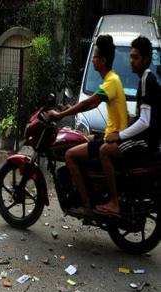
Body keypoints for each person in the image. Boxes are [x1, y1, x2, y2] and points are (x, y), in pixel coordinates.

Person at [47, 34, 128, 216]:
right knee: (81, 139)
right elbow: (92, 104)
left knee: (69, 155)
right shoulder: (111, 80)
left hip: (114, 139)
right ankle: (91, 189)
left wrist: (60, 114)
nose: (92, 60)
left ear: (103, 60)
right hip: (111, 135)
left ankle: (87, 205)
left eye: (95, 56)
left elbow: (87, 103)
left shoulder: (111, 82)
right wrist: (70, 108)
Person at [95, 36, 160, 217]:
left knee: (104, 151)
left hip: (146, 142)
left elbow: (145, 121)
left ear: (146, 60)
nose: (131, 61)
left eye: (136, 57)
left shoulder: (146, 80)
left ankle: (114, 203)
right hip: (145, 139)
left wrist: (121, 135)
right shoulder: (145, 79)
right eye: (131, 57)